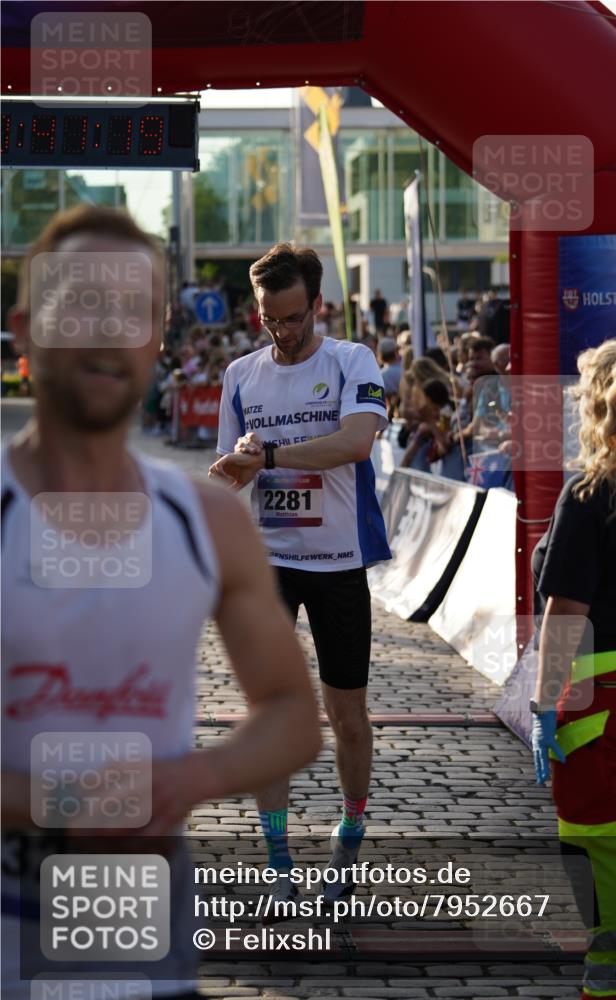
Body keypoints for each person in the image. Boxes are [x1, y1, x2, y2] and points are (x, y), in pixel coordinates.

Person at [2, 206, 321, 999]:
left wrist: (185, 782)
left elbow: (290, 715)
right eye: (80, 303)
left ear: (157, 339)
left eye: (133, 311)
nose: (108, 330)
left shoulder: (207, 520)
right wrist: (68, 801)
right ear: (24, 331)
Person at [208, 242, 391, 910]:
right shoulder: (240, 374)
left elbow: (354, 443)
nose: (280, 331)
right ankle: (279, 860)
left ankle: (348, 833)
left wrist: (273, 455)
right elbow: (228, 474)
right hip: (270, 567)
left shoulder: (351, 360)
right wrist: (228, 474)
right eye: (267, 318)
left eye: (290, 317)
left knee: (347, 715)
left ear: (315, 305)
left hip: (338, 564)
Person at [530, 340, 616, 1000]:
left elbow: (564, 609)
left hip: (605, 688)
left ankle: (611, 985)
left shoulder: (587, 490)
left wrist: (539, 704)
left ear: (592, 403)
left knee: (600, 841)